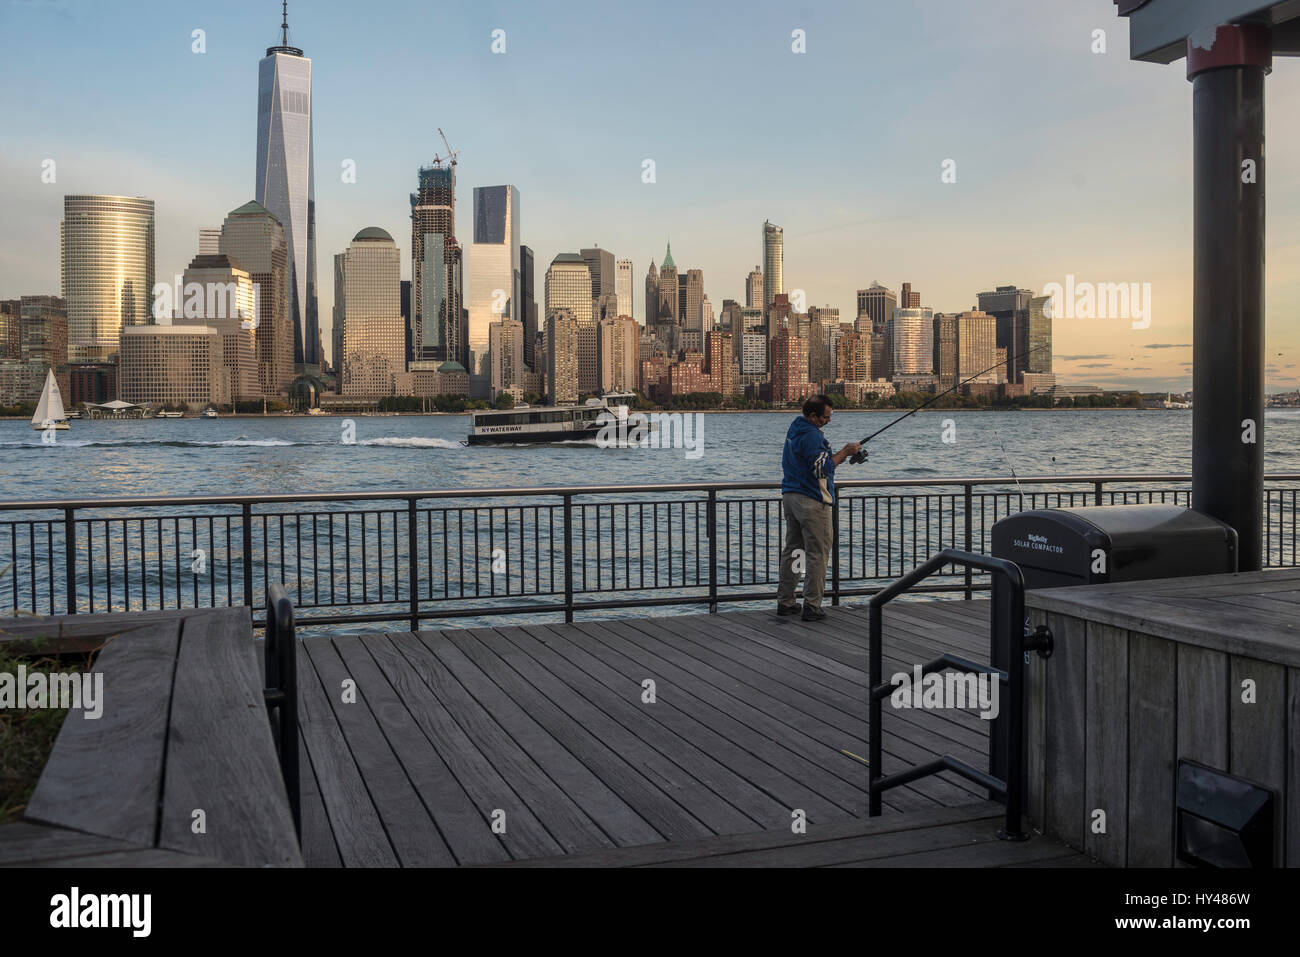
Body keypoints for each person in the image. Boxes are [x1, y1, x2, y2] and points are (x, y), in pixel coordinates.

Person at [776, 395, 861, 622]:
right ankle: (812, 605)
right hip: (812, 501)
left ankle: (786, 601)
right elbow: (820, 469)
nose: (828, 421)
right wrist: (844, 452)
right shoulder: (813, 436)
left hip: (791, 496)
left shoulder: (795, 429)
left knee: (794, 550)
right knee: (817, 554)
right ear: (813, 416)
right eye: (825, 417)